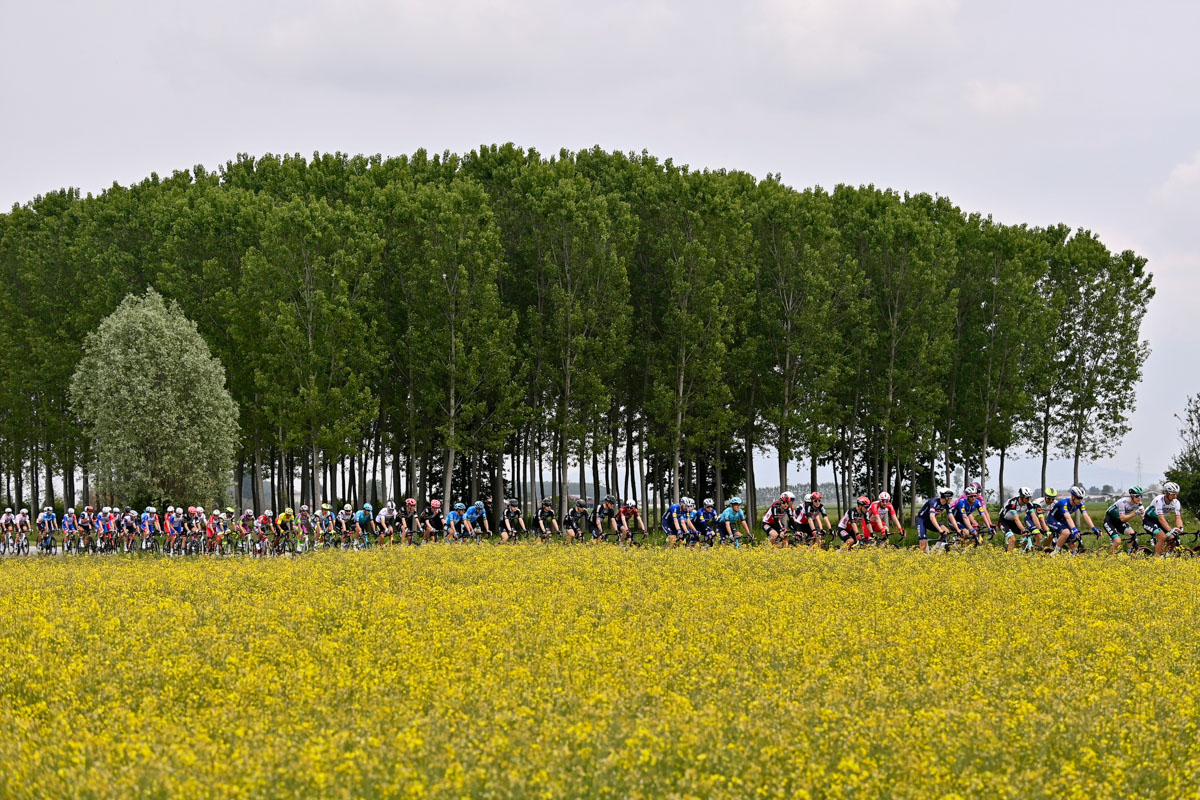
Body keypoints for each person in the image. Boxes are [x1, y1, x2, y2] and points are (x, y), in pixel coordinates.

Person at [1046, 486, 1099, 554]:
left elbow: (1086, 515)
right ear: (1072, 496)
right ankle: (1055, 553)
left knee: (1073, 542)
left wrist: (1094, 528)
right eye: (1078, 498)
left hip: (1063, 520)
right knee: (1066, 532)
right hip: (1053, 519)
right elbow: (1068, 517)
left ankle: (1072, 558)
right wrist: (1074, 529)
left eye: (1081, 498)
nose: (1080, 500)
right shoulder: (1064, 503)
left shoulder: (1080, 504)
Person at [1143, 482, 1185, 556]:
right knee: (1162, 537)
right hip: (1149, 520)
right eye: (1173, 494)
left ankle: (1165, 557)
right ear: (1166, 493)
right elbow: (1161, 518)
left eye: (1176, 494)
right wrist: (1171, 530)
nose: (1175, 496)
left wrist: (1180, 528)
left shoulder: (1176, 502)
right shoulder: (1159, 500)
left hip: (1159, 521)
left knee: (1173, 540)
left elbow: (1178, 517)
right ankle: (1157, 559)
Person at [916, 488, 959, 553]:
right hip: (922, 520)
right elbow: (932, 517)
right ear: (946, 498)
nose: (951, 499)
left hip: (930, 521)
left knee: (946, 532)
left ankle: (934, 551)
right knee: (923, 541)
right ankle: (923, 556)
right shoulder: (934, 502)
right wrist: (939, 529)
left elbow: (951, 517)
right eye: (950, 498)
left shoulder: (946, 505)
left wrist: (958, 529)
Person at [1104, 486, 1144, 554]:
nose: (1139, 498)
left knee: (1132, 535)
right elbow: (1123, 519)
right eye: (1137, 496)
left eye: (1141, 496)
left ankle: (1129, 555)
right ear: (1131, 496)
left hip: (1119, 521)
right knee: (1118, 541)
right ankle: (1108, 558)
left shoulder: (1138, 503)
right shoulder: (1122, 502)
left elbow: (1143, 515)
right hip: (1110, 521)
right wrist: (1135, 513)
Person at [998, 487, 1038, 552]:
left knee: (1027, 535)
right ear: (1021, 497)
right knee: (1013, 539)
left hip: (1013, 522)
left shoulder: (1028, 504)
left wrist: (1039, 529)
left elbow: (1034, 517)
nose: (1028, 500)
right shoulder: (1013, 503)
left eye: (1030, 498)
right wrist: (1023, 530)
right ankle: (1009, 557)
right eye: (1027, 498)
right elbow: (1016, 519)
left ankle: (1021, 552)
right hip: (1004, 521)